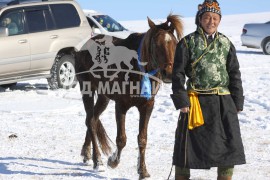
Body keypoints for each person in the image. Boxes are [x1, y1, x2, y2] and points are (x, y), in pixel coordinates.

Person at [170, 0, 246, 179]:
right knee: (186, 144)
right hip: (195, 102)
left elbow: (234, 73)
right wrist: (182, 100)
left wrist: (238, 102)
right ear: (200, 19)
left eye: (215, 18)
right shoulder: (187, 42)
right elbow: (178, 74)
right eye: (207, 17)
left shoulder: (226, 43)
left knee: (229, 143)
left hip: (223, 101)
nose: (211, 21)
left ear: (219, 20)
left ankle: (225, 177)